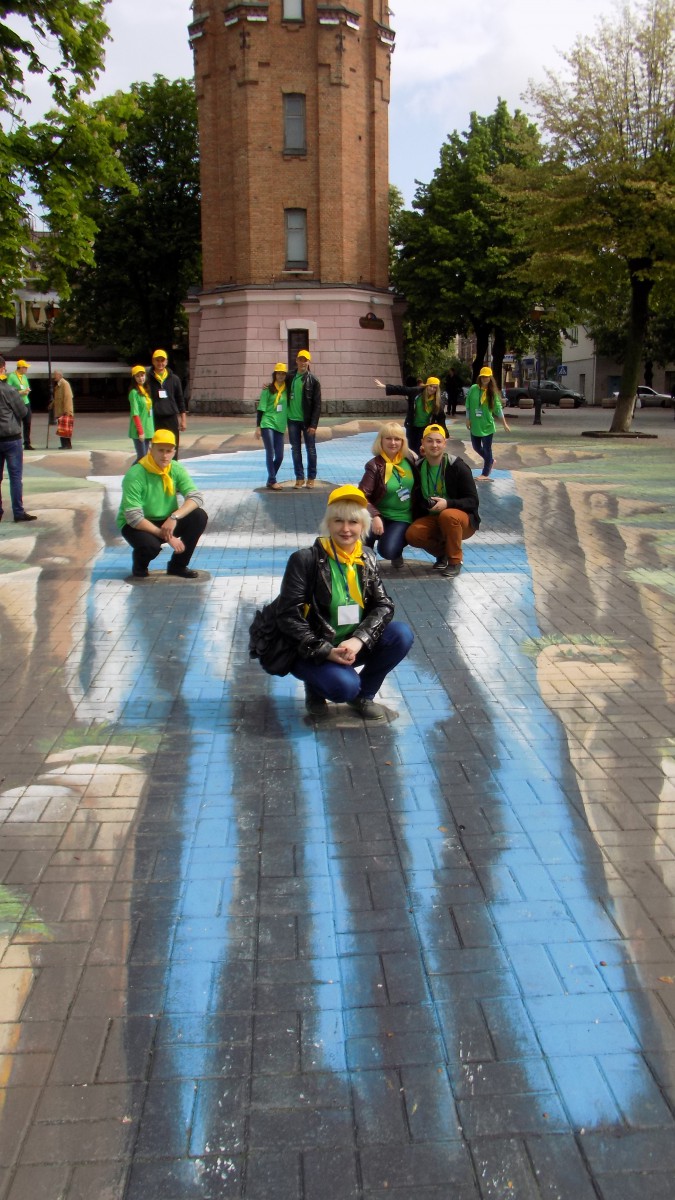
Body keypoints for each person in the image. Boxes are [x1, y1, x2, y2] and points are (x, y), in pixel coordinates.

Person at [274, 485, 414, 720]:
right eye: (338, 521)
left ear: (363, 526)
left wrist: (359, 640)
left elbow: (383, 605)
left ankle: (363, 696)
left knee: (401, 635)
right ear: (328, 524)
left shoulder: (366, 556)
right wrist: (326, 651)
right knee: (343, 687)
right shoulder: (305, 560)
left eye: (353, 522)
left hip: (351, 643)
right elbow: (288, 616)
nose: (346, 529)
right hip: (311, 649)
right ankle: (315, 686)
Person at [116, 429, 208, 580]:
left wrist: (174, 517)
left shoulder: (176, 468)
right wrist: (166, 536)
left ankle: (178, 566)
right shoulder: (135, 474)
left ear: (174, 452)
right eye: (160, 450)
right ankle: (140, 565)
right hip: (137, 524)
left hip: (166, 520)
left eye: (168, 451)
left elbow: (196, 497)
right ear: (151, 450)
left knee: (199, 516)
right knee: (150, 547)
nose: (164, 455)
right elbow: (133, 517)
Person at [405, 424, 479, 577]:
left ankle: (455, 561)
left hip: (460, 519)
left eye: (438, 441)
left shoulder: (457, 466)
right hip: (433, 518)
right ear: (422, 443)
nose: (434, 445)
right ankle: (443, 553)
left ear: (445, 443)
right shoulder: (418, 468)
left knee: (448, 515)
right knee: (413, 534)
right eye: (429, 441)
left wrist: (448, 504)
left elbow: (472, 501)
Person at [358, 422, 417, 568]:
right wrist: (375, 516)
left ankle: (396, 547)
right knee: (362, 536)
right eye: (388, 438)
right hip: (379, 515)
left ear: (403, 442)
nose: (393, 442)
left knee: (388, 550)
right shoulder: (374, 465)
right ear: (381, 441)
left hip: (402, 517)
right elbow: (361, 495)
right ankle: (366, 558)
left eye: (397, 439)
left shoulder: (410, 459)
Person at [0, 363, 38, 523]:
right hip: (11, 436)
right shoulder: (9, 390)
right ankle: (18, 511)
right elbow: (23, 411)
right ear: (2, 368)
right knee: (15, 477)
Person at [374, 375, 447, 455]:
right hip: (412, 425)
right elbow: (402, 389)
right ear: (427, 386)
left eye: (435, 387)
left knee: (422, 448)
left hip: (425, 427)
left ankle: (421, 461)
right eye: (430, 386)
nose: (432, 389)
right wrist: (385, 386)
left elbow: (441, 418)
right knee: (411, 448)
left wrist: (445, 434)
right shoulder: (417, 392)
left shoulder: (437, 400)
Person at [465, 365, 510, 480]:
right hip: (475, 424)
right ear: (480, 377)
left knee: (487, 449)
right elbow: (468, 405)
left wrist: (504, 424)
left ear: (490, 378)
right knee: (476, 447)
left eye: (487, 377)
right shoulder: (473, 389)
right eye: (483, 376)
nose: (485, 379)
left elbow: (498, 409)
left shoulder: (492, 393)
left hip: (487, 425)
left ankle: (485, 474)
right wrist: (467, 419)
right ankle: (490, 460)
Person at [286, 349, 322, 488]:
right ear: (296, 361)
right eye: (300, 359)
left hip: (307, 422)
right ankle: (299, 478)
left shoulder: (314, 380)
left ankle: (311, 478)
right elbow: (278, 384)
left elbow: (317, 405)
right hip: (292, 420)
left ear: (308, 362)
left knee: (310, 449)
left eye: (305, 360)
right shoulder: (290, 377)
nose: (302, 362)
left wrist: (313, 425)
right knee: (295, 449)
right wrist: (268, 386)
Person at [145, 349, 186, 455]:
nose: (160, 363)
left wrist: (183, 419)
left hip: (171, 417)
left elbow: (180, 399)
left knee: (173, 445)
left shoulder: (174, 379)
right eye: (157, 360)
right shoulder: (147, 379)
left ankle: (173, 464)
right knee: (157, 446)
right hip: (155, 418)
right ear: (153, 361)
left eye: (162, 360)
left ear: (166, 362)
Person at [255, 363, 289, 489]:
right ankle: (273, 480)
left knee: (279, 456)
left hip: (280, 425)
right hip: (267, 423)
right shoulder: (267, 389)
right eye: (278, 373)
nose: (280, 376)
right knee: (270, 452)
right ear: (275, 374)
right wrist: (258, 427)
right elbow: (261, 409)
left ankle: (270, 479)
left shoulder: (287, 389)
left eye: (283, 374)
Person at [128, 366, 155, 461]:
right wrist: (140, 432)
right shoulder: (134, 393)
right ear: (134, 378)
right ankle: (131, 471)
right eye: (137, 376)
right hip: (139, 431)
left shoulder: (146, 392)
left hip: (148, 429)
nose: (140, 378)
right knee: (142, 457)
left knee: (145, 457)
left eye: (142, 375)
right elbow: (135, 414)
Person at [7, 359, 33, 450]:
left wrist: (27, 391)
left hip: (26, 402)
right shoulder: (12, 376)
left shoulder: (24, 377)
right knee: (17, 423)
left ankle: (27, 443)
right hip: (16, 402)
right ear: (20, 368)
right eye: (25, 367)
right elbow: (8, 390)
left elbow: (27, 387)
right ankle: (17, 442)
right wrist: (21, 392)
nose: (26, 369)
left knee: (28, 422)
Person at [49, 370, 75, 449]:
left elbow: (67, 397)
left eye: (55, 375)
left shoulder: (64, 384)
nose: (54, 376)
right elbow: (57, 398)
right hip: (60, 410)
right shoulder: (59, 385)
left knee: (65, 428)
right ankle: (64, 444)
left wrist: (67, 410)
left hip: (64, 411)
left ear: (60, 375)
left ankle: (67, 445)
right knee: (62, 428)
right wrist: (51, 404)